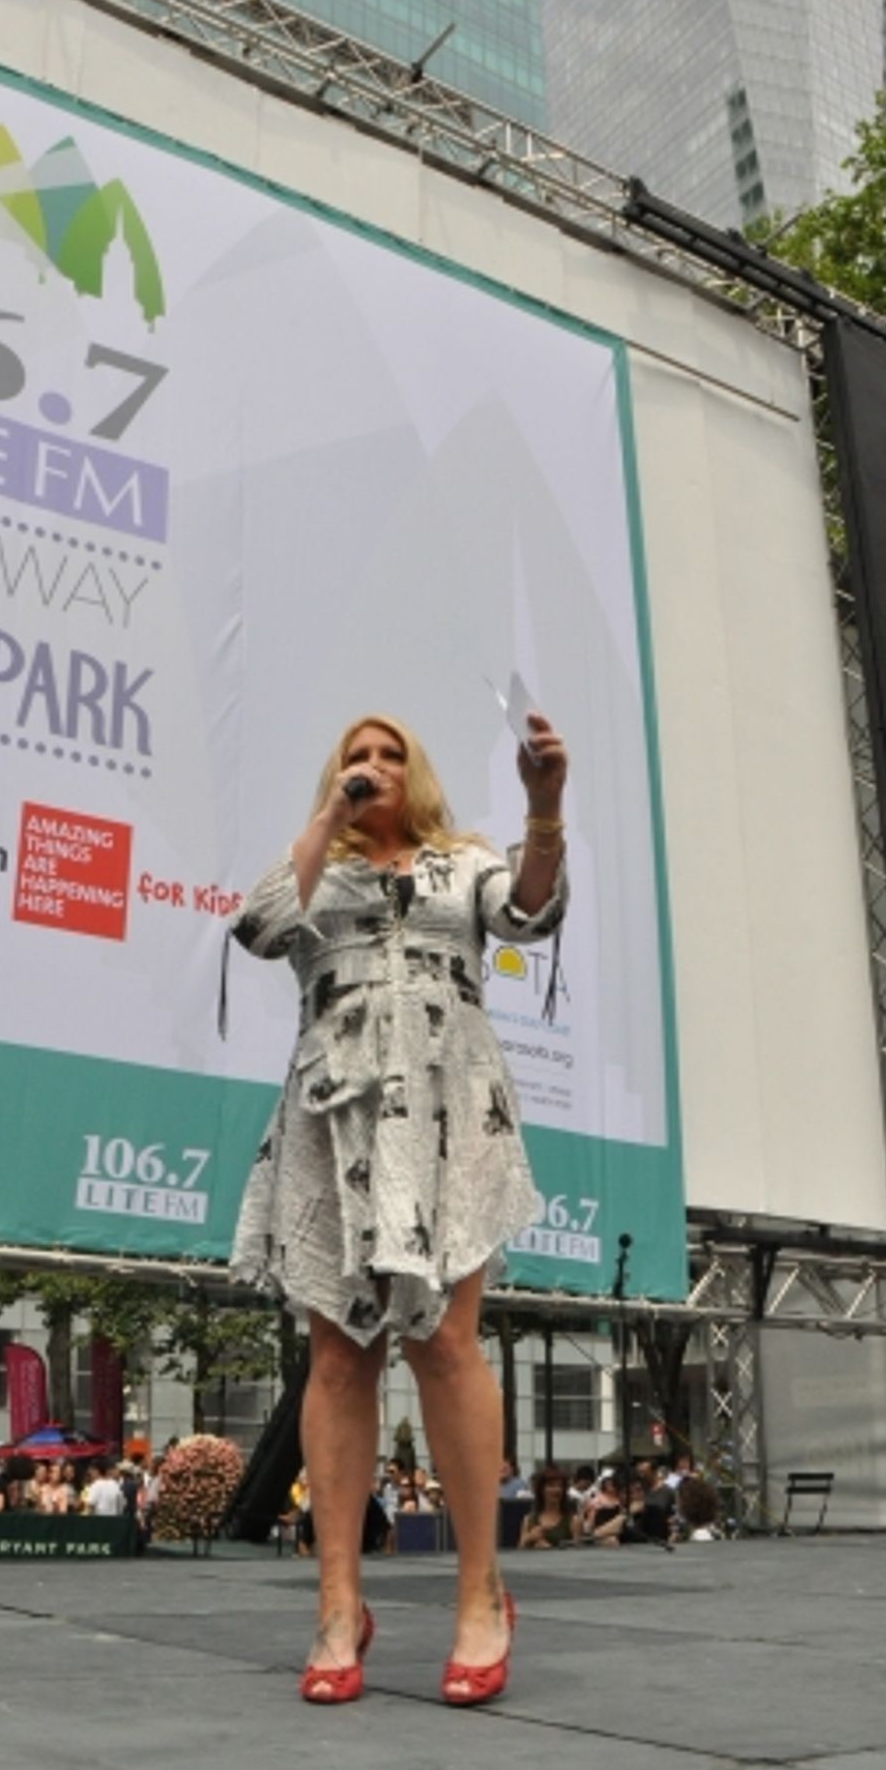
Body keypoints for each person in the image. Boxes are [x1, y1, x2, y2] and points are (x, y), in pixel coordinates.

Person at [230, 708, 568, 1705]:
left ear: (414, 771)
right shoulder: (313, 869)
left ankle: (481, 1592)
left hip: (445, 1100)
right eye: (352, 757)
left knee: (445, 1344)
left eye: (387, 755)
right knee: (336, 1354)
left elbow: (530, 913)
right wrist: (323, 819)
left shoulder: (460, 862)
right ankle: (336, 1604)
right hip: (334, 1106)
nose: (370, 767)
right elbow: (256, 928)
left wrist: (542, 808)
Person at [518, 1466, 578, 1549]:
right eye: (551, 1486)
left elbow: (577, 1553)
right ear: (541, 1490)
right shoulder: (528, 1520)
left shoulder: (572, 1521)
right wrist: (530, 1538)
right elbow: (519, 1551)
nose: (557, 1490)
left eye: (560, 1486)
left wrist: (550, 1549)